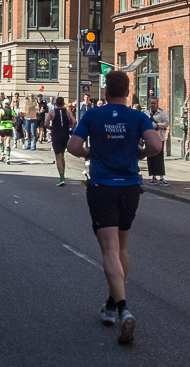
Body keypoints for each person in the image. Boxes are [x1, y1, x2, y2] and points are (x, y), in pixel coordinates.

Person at [68, 70, 162, 345]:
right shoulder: (137, 116)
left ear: (106, 91)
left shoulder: (93, 115)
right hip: (130, 186)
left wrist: (89, 153)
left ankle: (122, 309)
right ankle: (111, 303)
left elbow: (73, 146)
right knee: (121, 247)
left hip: (103, 186)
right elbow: (156, 144)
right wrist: (140, 153)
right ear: (127, 93)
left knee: (109, 250)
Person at [48, 96, 75, 186]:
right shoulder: (68, 112)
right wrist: (72, 130)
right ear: (63, 104)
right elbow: (74, 121)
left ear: (56, 104)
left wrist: (50, 128)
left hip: (56, 136)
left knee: (58, 157)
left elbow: (45, 123)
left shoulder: (52, 113)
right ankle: (63, 175)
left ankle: (62, 178)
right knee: (62, 155)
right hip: (65, 135)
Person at [146, 97, 169, 185]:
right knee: (150, 157)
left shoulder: (162, 113)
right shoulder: (146, 114)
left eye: (154, 103)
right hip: (149, 139)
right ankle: (153, 176)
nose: (153, 105)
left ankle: (161, 176)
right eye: (151, 103)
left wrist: (158, 125)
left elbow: (167, 123)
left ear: (157, 104)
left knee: (159, 158)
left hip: (159, 138)